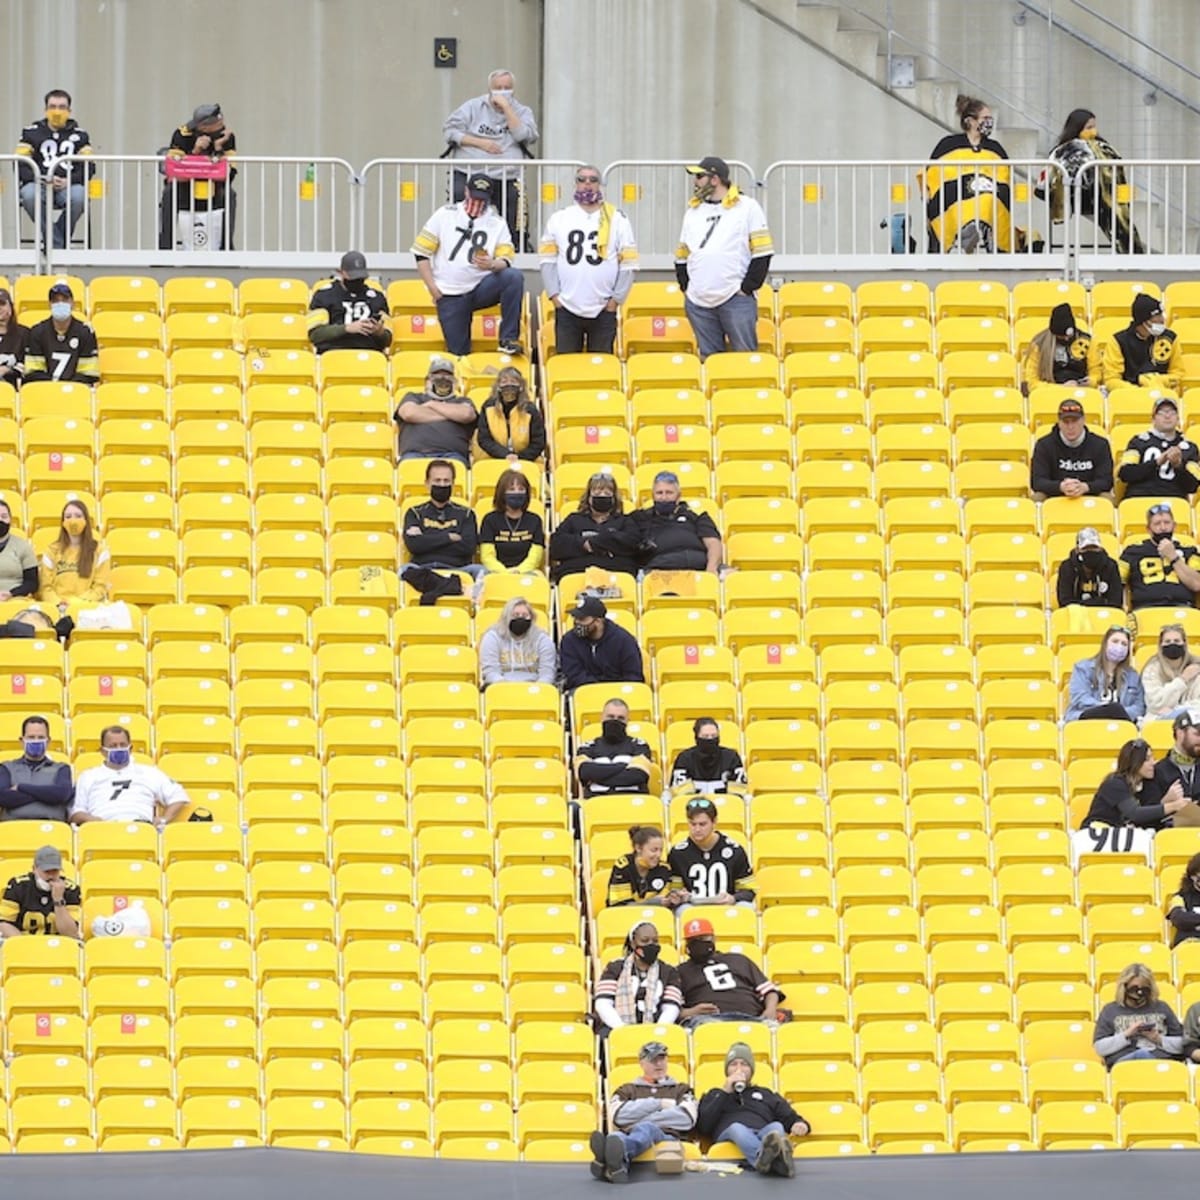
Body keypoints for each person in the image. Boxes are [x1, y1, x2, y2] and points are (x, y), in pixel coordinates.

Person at [411, 174, 524, 357]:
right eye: (474, 197)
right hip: (450, 292)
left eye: (482, 199)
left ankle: (508, 338)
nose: (477, 203)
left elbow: (507, 258)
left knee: (513, 277)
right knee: (458, 352)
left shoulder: (497, 222)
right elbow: (421, 252)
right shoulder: (444, 214)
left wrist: (492, 264)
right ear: (465, 192)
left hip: (481, 286)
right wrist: (433, 289)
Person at [674, 156, 772, 360]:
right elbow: (682, 253)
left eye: (700, 176)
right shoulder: (693, 211)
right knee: (710, 361)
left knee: (745, 358)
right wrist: (687, 287)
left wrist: (746, 288)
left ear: (715, 179)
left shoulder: (747, 207)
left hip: (735, 297)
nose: (696, 182)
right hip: (699, 300)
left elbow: (762, 251)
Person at [540, 165, 638, 354]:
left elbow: (629, 263)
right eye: (582, 179)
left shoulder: (617, 218)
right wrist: (554, 296)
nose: (587, 184)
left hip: (603, 308)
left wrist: (615, 301)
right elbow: (547, 260)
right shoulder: (559, 218)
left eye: (593, 180)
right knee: (567, 366)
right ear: (575, 184)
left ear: (600, 185)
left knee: (600, 368)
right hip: (567, 306)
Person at [442, 69, 538, 249]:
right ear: (489, 89)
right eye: (498, 88)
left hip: (507, 175)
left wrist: (508, 109)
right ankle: (456, 243)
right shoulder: (472, 107)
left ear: (513, 90)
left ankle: (516, 246)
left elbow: (525, 136)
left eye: (507, 88)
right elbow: (450, 131)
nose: (502, 91)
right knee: (457, 200)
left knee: (516, 206)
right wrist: (480, 143)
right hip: (470, 172)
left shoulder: (522, 111)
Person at [589, 1041, 697, 1185]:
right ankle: (617, 1169)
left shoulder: (682, 1089)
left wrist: (639, 1118)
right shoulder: (627, 1089)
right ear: (642, 1063)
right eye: (653, 1060)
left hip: (668, 1137)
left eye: (662, 1059)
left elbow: (686, 1118)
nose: (659, 1064)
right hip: (629, 1133)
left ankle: (608, 1158)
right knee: (616, 1135)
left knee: (646, 1128)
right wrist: (659, 1104)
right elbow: (618, 1116)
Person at [695, 1043, 808, 1177]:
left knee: (776, 1127)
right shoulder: (715, 1094)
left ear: (751, 1070)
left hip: (762, 1134)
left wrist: (799, 1123)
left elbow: (788, 1116)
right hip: (730, 1135)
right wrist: (725, 1091)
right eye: (733, 1064)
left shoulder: (765, 1093)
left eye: (744, 1064)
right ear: (727, 1070)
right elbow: (703, 1126)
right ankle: (763, 1160)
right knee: (737, 1128)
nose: (739, 1069)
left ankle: (774, 1159)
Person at [925, 95, 1021, 253]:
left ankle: (980, 231)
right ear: (970, 121)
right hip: (956, 195)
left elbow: (1004, 177)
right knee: (958, 192)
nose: (989, 122)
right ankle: (969, 228)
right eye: (985, 118)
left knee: (988, 197)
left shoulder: (995, 148)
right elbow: (934, 174)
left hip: (988, 193)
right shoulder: (948, 144)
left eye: (990, 118)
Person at [1047, 108, 1144, 255]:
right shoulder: (1066, 150)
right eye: (1089, 127)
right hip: (1080, 196)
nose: (1093, 131)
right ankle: (1130, 251)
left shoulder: (1102, 146)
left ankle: (1131, 251)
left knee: (1118, 216)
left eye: (1094, 126)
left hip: (1104, 195)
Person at [16, 89, 93, 250]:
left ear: (69, 111)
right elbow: (20, 163)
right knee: (29, 195)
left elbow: (89, 166)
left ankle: (54, 241)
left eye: (62, 107)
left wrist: (68, 181)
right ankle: (58, 243)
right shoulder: (31, 133)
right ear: (45, 110)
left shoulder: (81, 136)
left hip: (68, 185)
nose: (57, 111)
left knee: (79, 196)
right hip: (39, 183)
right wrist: (41, 178)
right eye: (52, 106)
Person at [70, 726, 190, 827]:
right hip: (102, 829)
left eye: (123, 745)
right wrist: (96, 821)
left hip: (141, 827)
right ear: (102, 751)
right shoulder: (88, 776)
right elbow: (76, 813)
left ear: (130, 748)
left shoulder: (149, 772)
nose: (119, 749)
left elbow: (178, 795)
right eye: (113, 746)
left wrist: (163, 819)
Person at [677, 916, 785, 1026]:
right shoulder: (680, 971)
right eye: (693, 940)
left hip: (752, 1018)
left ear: (713, 938)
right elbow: (671, 1008)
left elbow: (769, 991)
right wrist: (690, 1012)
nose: (698, 943)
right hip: (707, 1020)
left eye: (703, 938)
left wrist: (770, 1010)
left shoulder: (738, 960)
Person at [159, 102, 238, 251]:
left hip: (215, 186)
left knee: (230, 195)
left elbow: (230, 173)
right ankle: (165, 248)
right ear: (204, 127)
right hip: (185, 185)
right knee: (169, 194)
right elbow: (173, 168)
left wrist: (218, 148)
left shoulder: (227, 136)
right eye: (218, 122)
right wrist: (195, 151)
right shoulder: (182, 134)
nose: (222, 124)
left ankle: (226, 248)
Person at [1079, 737, 1192, 829]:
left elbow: (1146, 817)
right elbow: (1135, 813)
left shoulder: (1145, 784)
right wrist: (1173, 806)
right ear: (1134, 762)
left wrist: (1166, 800)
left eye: (1153, 757)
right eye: (1147, 759)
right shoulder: (1115, 783)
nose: (1153, 763)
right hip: (1097, 834)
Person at [548, 473, 640, 583]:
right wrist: (582, 544)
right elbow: (556, 544)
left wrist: (596, 541)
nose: (602, 495)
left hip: (617, 574)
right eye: (597, 492)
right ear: (589, 497)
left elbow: (633, 543)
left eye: (607, 493)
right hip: (577, 573)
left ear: (614, 498)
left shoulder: (625, 520)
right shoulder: (574, 519)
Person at [593, 921, 684, 1031]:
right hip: (617, 1030)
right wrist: (621, 1029)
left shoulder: (669, 971)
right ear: (633, 943)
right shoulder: (615, 968)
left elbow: (671, 1007)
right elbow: (603, 1003)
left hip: (657, 1032)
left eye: (655, 941)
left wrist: (658, 1030)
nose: (651, 944)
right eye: (645, 941)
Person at [399, 459, 482, 580]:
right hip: (422, 568)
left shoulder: (467, 514)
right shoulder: (414, 513)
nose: (442, 485)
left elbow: (468, 547)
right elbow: (414, 545)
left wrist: (427, 538)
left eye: (446, 481)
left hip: (458, 569)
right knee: (403, 570)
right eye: (437, 480)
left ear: (453, 484)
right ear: (427, 483)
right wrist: (449, 537)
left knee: (481, 571)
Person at [668, 796, 756, 907]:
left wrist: (733, 898)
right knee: (682, 909)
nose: (697, 829)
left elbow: (749, 891)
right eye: (692, 824)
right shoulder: (678, 853)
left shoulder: (735, 851)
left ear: (714, 822)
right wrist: (678, 895)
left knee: (746, 906)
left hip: (726, 909)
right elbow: (674, 889)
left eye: (702, 824)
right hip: (693, 911)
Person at [1093, 963, 1183, 1069]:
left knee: (1146, 1056)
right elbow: (1100, 1048)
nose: (1139, 993)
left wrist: (1158, 1038)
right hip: (1124, 1062)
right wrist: (1127, 1034)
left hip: (1160, 1062)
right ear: (1124, 987)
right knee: (1142, 1054)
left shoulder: (1162, 1007)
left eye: (1144, 989)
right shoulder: (1110, 1010)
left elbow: (1183, 1044)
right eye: (1134, 989)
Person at [632, 471, 723, 575]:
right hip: (660, 571)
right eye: (659, 493)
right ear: (653, 496)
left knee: (732, 576)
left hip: (699, 567)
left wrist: (711, 568)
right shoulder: (641, 518)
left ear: (679, 496)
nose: (664, 497)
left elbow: (713, 543)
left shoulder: (696, 515)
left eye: (669, 493)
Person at [393, 357, 477, 466]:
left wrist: (432, 405)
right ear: (427, 380)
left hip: (452, 456)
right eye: (437, 375)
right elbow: (409, 413)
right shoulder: (413, 397)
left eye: (447, 375)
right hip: (415, 455)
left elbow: (466, 414)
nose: (442, 378)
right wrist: (451, 414)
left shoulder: (462, 401)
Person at [307, 251, 391, 355]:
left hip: (369, 356)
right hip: (334, 355)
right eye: (353, 277)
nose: (357, 281)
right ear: (341, 272)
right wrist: (346, 328)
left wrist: (379, 332)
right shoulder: (324, 295)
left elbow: (388, 339)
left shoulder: (377, 298)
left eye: (360, 278)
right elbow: (315, 334)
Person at [1119, 503, 1200, 611]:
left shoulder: (1189, 550)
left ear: (1174, 525)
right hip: (1145, 609)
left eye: (1167, 523)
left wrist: (1173, 557)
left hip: (1182, 607)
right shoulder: (1133, 551)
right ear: (1148, 529)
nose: (1163, 527)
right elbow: (1117, 581)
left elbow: (1197, 584)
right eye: (1157, 523)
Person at [1030, 397, 1112, 501]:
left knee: (1107, 498)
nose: (1070, 426)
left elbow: (1106, 481)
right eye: (1066, 422)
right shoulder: (1044, 445)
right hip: (1055, 495)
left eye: (1075, 421)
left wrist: (1085, 487)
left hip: (1089, 494)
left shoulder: (1100, 444)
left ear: (1083, 420)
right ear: (1059, 422)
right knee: (1037, 497)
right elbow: (1038, 481)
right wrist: (1061, 486)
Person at [1117, 395, 1197, 502]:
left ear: (1178, 418)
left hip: (1173, 501)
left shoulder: (1189, 447)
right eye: (1162, 413)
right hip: (1139, 497)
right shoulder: (1139, 441)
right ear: (1153, 418)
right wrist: (1156, 462)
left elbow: (1193, 486)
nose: (1167, 416)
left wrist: (1178, 466)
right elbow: (1125, 474)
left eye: (1172, 412)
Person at [39, 499, 110, 617]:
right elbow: (45, 587)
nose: (73, 521)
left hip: (87, 609)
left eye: (78, 516)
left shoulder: (100, 550)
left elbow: (99, 588)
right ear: (62, 522)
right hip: (56, 609)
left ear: (86, 521)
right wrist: (58, 603)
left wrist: (74, 605)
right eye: (68, 516)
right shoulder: (51, 550)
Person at [558, 594, 645, 691]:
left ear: (598, 621)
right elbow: (574, 674)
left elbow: (633, 675)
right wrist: (598, 690)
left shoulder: (624, 641)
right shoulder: (569, 641)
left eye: (582, 619)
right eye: (575, 618)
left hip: (619, 693)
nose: (577, 622)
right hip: (585, 692)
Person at [1064, 626, 1145, 724]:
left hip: (1121, 723)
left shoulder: (1133, 676)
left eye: (1124, 644)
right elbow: (1080, 699)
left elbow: (1139, 707)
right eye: (1115, 641)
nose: (1119, 647)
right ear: (1105, 643)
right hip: (1086, 719)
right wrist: (1107, 710)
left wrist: (1118, 713)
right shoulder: (1083, 668)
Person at [574, 698, 653, 798]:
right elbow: (584, 772)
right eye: (610, 717)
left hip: (633, 804)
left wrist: (597, 775)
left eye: (620, 718)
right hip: (596, 804)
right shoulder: (588, 747)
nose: (615, 721)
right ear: (602, 718)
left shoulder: (639, 745)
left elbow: (638, 775)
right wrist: (622, 766)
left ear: (627, 721)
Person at [23, 281, 99, 384]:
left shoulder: (85, 332)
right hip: (45, 392)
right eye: (55, 301)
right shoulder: (37, 331)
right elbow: (33, 372)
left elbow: (88, 373)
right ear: (50, 304)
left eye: (65, 300)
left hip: (76, 393)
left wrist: (67, 388)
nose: (60, 304)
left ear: (72, 303)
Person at [0, 716, 73, 822]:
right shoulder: (6, 767)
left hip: (51, 827)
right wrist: (47, 794)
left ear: (48, 741)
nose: (36, 741)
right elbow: (3, 797)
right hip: (13, 828)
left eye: (40, 737)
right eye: (31, 737)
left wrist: (21, 787)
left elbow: (61, 794)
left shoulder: (61, 768)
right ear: (22, 740)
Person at [1104, 297, 1184, 394]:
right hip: (1129, 396)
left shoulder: (1171, 338)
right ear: (1144, 321)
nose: (1162, 319)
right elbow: (1111, 380)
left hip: (1163, 396)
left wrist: (1159, 380)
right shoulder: (1118, 341)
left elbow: (1178, 374)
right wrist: (1139, 392)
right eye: (1157, 316)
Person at [0, 845, 80, 939]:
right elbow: (4, 924)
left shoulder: (71, 890)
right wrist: (24, 945)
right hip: (23, 943)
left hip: (58, 946)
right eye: (46, 871)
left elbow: (71, 934)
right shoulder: (18, 886)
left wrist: (58, 900)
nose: (51, 876)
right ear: (34, 869)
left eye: (54, 871)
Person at [478, 595, 556, 687]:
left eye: (525, 615)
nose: (520, 618)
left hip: (534, 689)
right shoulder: (492, 637)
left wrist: (537, 688)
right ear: (506, 617)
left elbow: (547, 673)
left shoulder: (542, 639)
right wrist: (508, 688)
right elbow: (491, 672)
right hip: (501, 688)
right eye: (515, 615)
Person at [478, 469, 545, 574]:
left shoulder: (535, 520)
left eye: (521, 489)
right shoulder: (490, 520)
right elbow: (487, 556)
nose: (516, 492)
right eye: (511, 489)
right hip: (496, 572)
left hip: (527, 572)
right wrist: (505, 573)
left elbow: (535, 556)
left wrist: (519, 571)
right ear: (502, 492)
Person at [475, 366, 546, 462]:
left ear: (521, 386)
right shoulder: (488, 407)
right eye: (504, 382)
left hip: (527, 460)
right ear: (498, 386)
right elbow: (484, 439)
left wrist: (519, 457)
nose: (509, 385)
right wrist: (505, 455)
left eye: (513, 381)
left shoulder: (530, 410)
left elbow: (538, 441)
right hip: (494, 458)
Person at [1022, 305, 1097, 395]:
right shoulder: (1038, 345)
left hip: (1080, 391)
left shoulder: (1087, 341)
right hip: (1050, 393)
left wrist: (1091, 381)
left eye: (1069, 337)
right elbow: (1032, 382)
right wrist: (1062, 388)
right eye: (1061, 337)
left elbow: (1095, 369)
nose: (1066, 339)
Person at [606, 827, 687, 909]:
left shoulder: (665, 869)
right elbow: (620, 906)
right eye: (654, 850)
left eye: (660, 850)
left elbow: (670, 897)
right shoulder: (623, 867)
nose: (658, 855)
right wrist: (652, 903)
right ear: (638, 848)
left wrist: (675, 898)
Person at [669, 719, 748, 794]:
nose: (710, 739)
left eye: (714, 736)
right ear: (696, 737)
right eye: (705, 736)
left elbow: (739, 792)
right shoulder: (685, 758)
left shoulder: (731, 757)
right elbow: (679, 793)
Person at [1141, 626, 1200, 723]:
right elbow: (1155, 704)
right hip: (1158, 720)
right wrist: (1182, 679)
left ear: (1184, 644)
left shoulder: (1196, 667)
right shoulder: (1151, 670)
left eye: (1177, 641)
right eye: (1167, 641)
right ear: (1161, 645)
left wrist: (1176, 711)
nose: (1172, 644)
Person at [1056, 527, 1122, 609]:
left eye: (1094, 548)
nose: (1090, 551)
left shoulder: (1111, 566)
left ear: (1100, 548)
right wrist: (1098, 602)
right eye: (1085, 548)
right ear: (1077, 550)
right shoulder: (1067, 567)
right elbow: (1064, 601)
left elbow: (1116, 602)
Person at [0, 499, 39, 602]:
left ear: (10, 520)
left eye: (4, 517)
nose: (0, 520)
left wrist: (12, 593)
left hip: (15, 598)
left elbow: (32, 582)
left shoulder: (23, 546)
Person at [0, 287, 30, 389]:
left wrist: (7, 370)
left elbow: (29, 366)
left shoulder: (25, 334)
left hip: (12, 391)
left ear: (11, 307)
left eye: (2, 304)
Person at [1167, 852, 1200, 947]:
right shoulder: (1180, 897)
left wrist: (1193, 920)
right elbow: (1178, 918)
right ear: (1193, 877)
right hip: (1189, 946)